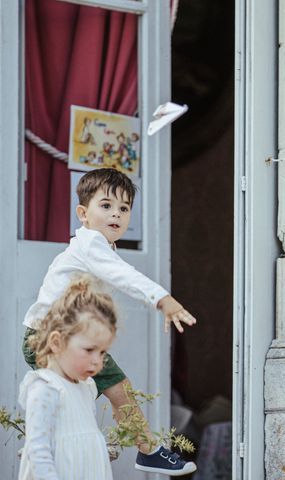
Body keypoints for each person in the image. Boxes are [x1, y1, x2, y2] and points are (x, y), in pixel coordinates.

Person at [22, 167, 197, 476]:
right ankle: (143, 450)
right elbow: (125, 277)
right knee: (97, 394)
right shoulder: (91, 245)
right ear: (83, 214)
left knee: (109, 392)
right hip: (48, 339)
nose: (116, 214)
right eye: (106, 205)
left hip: (69, 340)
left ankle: (141, 449)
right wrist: (162, 299)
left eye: (124, 208)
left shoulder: (99, 249)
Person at [19, 275, 117, 480]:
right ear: (57, 342)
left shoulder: (86, 387)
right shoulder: (45, 388)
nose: (97, 361)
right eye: (89, 350)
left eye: (102, 353)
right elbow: (38, 451)